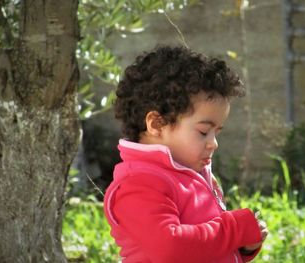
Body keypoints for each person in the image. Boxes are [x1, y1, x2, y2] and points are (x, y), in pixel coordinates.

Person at [103, 45, 268, 263]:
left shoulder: (190, 174)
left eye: (216, 132)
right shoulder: (139, 184)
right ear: (156, 123)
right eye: (203, 132)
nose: (213, 143)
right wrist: (234, 230)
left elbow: (202, 250)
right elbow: (171, 249)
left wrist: (242, 248)